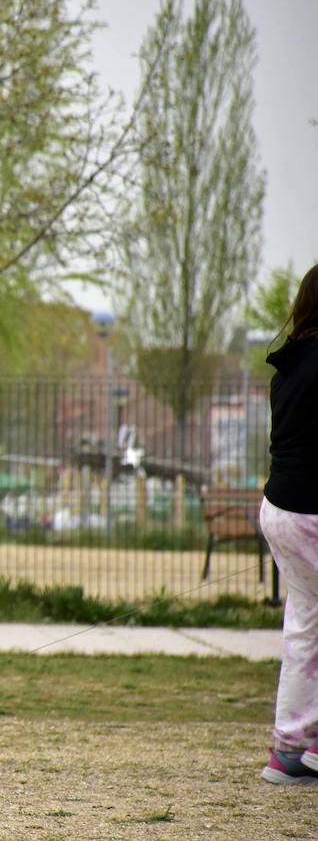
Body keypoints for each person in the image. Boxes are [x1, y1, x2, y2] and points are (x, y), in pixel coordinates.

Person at [257, 263, 318, 787]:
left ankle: (290, 749)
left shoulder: (290, 365)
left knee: (304, 625)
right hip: (312, 509)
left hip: (281, 507)